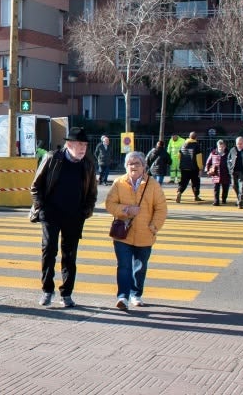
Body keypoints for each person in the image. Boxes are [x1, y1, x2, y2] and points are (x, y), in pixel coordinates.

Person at [29, 127, 99, 308]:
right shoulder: (53, 158)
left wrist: (86, 212)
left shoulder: (88, 164)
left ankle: (66, 294)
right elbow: (36, 187)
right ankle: (47, 290)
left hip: (74, 217)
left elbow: (92, 193)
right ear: (69, 144)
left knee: (70, 256)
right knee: (49, 251)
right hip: (51, 214)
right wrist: (41, 208)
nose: (83, 148)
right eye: (79, 144)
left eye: (85, 144)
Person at [105, 151, 167, 310]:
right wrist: (126, 210)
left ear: (144, 166)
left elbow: (161, 209)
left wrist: (153, 227)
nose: (133, 166)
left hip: (145, 234)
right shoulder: (119, 183)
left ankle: (136, 294)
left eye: (137, 163)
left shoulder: (152, 184)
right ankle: (122, 297)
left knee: (139, 267)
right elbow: (109, 205)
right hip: (123, 234)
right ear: (126, 166)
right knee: (124, 266)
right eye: (130, 164)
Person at [175, 132, 202, 203]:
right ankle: (196, 196)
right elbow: (198, 157)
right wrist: (200, 167)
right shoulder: (197, 145)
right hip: (194, 168)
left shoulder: (183, 144)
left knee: (183, 182)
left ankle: (179, 192)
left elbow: (179, 155)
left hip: (183, 167)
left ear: (189, 137)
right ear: (196, 138)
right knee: (195, 182)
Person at [204, 139, 231, 206]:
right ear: (217, 146)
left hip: (226, 173)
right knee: (216, 188)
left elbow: (232, 162)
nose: (221, 148)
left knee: (225, 187)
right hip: (216, 173)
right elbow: (208, 162)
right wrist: (207, 170)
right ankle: (216, 201)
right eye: (219, 146)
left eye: (222, 146)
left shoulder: (228, 153)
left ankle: (224, 199)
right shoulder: (213, 153)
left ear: (225, 146)